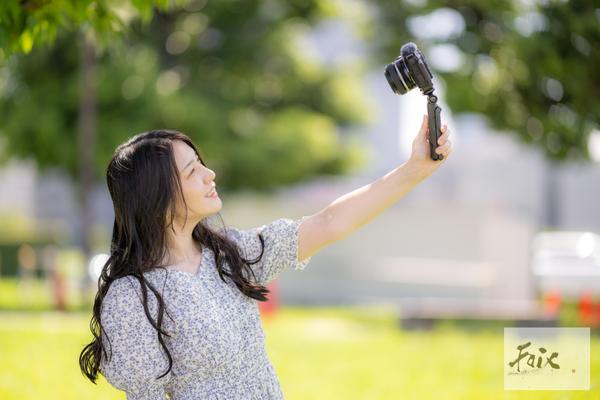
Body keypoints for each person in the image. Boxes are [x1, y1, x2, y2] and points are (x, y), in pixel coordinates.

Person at [78, 114, 452, 399]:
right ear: (156, 198)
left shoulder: (230, 256)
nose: (210, 174)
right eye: (193, 171)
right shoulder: (132, 297)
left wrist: (414, 169)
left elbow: (330, 222)